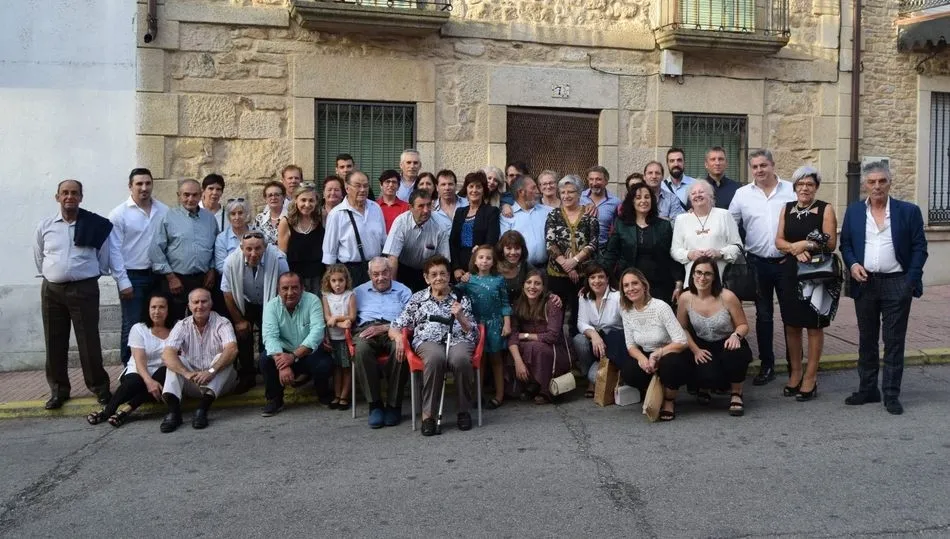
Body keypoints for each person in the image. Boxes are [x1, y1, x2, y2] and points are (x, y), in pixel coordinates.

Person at [840, 161, 928, 415]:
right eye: (872, 182)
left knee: (893, 341)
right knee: (866, 339)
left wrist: (910, 280)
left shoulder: (908, 211)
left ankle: (891, 393)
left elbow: (920, 248)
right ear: (865, 185)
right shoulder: (855, 211)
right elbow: (846, 243)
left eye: (882, 181)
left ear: (890, 183)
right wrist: (853, 264)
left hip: (897, 283)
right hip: (865, 283)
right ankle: (868, 390)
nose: (877, 186)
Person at [35, 179, 115, 409]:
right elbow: (39, 256)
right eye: (65, 193)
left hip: (84, 288)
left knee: (89, 340)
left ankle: (100, 388)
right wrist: (54, 274)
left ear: (81, 197)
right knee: (54, 340)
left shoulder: (93, 224)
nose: (69, 197)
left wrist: (86, 276)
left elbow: (103, 256)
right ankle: (59, 390)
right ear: (57, 197)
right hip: (52, 290)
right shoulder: (45, 226)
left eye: (74, 193)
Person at [728, 148, 796, 385]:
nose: (759, 170)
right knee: (764, 316)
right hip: (757, 263)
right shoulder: (742, 194)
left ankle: (793, 364)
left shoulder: (790, 190)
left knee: (791, 315)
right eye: (755, 167)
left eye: (763, 165)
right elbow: (729, 224)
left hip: (788, 262)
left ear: (772, 165)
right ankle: (767, 365)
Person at [392, 255, 479, 436]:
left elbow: (473, 331)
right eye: (433, 274)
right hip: (427, 341)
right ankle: (428, 415)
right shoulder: (418, 299)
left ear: (448, 276)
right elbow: (396, 325)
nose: (438, 278)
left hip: (457, 339)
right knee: (435, 358)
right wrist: (399, 338)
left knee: (461, 359)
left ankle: (463, 411)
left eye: (442, 274)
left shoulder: (461, 297)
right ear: (426, 278)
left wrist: (461, 317)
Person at [775, 165, 841, 402]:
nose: (805, 188)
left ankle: (811, 377)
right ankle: (795, 374)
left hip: (817, 273)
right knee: (792, 325)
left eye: (809, 185)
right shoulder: (787, 208)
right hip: (792, 272)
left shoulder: (825, 209)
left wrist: (806, 244)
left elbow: (830, 243)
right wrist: (794, 250)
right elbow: (778, 240)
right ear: (795, 187)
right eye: (801, 184)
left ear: (816, 188)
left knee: (814, 325)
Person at [676, 258, 753, 416]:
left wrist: (736, 336)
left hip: (727, 343)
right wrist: (696, 350)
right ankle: (705, 386)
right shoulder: (685, 298)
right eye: (698, 272)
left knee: (736, 354)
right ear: (692, 275)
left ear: (714, 277)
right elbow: (682, 328)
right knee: (708, 375)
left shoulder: (728, 297)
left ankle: (736, 393)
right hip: (702, 345)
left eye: (707, 274)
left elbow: (743, 325)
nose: (702, 278)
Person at [108, 167, 169, 366]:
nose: (144, 188)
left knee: (158, 322)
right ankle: (129, 368)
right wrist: (122, 281)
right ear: (130, 187)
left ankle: (156, 365)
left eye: (148, 183)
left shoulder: (164, 210)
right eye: (139, 184)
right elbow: (114, 250)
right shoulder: (118, 214)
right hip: (133, 276)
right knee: (132, 323)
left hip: (159, 275)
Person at [86, 293, 176, 427]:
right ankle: (109, 410)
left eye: (162, 307)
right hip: (139, 370)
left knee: (166, 371)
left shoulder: (176, 329)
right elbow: (139, 361)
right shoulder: (139, 328)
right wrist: (149, 381)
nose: (157, 311)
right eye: (153, 307)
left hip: (161, 374)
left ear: (169, 309)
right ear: (148, 309)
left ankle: (127, 409)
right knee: (136, 382)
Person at [159, 288, 238, 432]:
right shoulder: (181, 325)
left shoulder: (222, 322)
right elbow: (167, 353)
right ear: (189, 306)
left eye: (204, 301)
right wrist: (186, 373)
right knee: (175, 360)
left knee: (223, 357)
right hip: (193, 381)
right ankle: (173, 413)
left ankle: (202, 409)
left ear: (211, 303)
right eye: (195, 302)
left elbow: (232, 349)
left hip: (220, 384)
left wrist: (211, 371)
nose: (200, 306)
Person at [617, 268, 690, 421]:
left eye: (635, 283)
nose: (631, 288)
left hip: (670, 352)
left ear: (644, 285)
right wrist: (642, 360)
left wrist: (659, 353)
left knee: (670, 365)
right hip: (647, 353)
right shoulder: (626, 311)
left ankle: (669, 401)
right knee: (628, 370)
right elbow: (630, 345)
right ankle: (653, 390)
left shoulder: (660, 307)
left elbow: (681, 341)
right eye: (626, 285)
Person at [221, 232, 289, 392]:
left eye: (258, 248)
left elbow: (286, 288)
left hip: (271, 300)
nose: (253, 253)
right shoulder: (230, 262)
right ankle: (248, 376)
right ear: (241, 248)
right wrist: (238, 321)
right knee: (243, 335)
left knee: (270, 336)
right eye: (249, 249)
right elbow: (227, 292)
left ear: (265, 247)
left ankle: (269, 374)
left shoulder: (278, 259)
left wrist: (278, 316)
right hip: (245, 302)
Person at [260, 272, 334, 416]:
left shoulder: (312, 301)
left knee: (325, 363)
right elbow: (270, 337)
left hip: (306, 352)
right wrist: (283, 363)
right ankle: (274, 400)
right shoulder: (271, 306)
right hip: (283, 353)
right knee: (264, 359)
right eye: (285, 288)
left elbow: (317, 332)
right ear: (278, 290)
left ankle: (323, 393)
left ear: (302, 288)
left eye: (294, 288)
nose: (290, 293)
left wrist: (293, 356)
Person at [351, 257, 413, 428]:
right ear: (369, 275)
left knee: (400, 349)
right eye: (375, 274)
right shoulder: (358, 292)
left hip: (394, 329)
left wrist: (387, 328)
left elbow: (412, 319)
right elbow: (349, 318)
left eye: (384, 272)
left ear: (390, 272)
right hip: (366, 329)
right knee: (361, 350)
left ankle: (394, 405)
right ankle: (375, 405)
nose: (380, 278)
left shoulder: (404, 291)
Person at [149, 178, 218, 319]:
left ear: (201, 195)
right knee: (176, 322)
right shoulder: (167, 217)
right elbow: (155, 249)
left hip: (203, 280)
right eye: (186, 195)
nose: (190, 199)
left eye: (195, 195)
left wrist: (212, 270)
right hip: (177, 280)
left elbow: (216, 247)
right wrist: (170, 277)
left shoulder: (210, 219)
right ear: (178, 195)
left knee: (202, 321)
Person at [601, 183, 681, 304]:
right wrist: (600, 276)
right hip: (630, 285)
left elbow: (671, 256)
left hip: (659, 285)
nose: (643, 201)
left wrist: (678, 282)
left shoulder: (664, 226)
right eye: (638, 197)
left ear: (652, 200)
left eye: (647, 197)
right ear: (632, 201)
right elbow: (611, 254)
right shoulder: (621, 224)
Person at [458, 245, 512, 410]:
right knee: (479, 360)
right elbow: (455, 292)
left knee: (496, 360)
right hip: (476, 325)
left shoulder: (499, 280)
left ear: (493, 261)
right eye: (481, 257)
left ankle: (499, 395)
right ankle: (477, 394)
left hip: (495, 324)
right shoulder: (469, 280)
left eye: (488, 258)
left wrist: (507, 323)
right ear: (475, 260)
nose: (484, 261)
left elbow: (505, 303)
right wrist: (461, 278)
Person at [545, 174, 599, 336]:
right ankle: (558, 352)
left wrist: (575, 261)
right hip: (557, 274)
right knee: (556, 317)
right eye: (563, 192)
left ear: (579, 193)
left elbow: (594, 242)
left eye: (571, 192)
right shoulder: (554, 215)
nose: (566, 196)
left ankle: (577, 354)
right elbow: (550, 243)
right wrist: (567, 266)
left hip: (583, 275)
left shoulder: (590, 214)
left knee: (579, 316)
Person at [508, 269, 570, 405]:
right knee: (518, 347)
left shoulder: (552, 303)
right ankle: (532, 384)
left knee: (536, 347)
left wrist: (525, 335)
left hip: (553, 351)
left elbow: (552, 336)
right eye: (529, 282)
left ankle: (545, 390)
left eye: (537, 283)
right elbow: (513, 336)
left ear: (543, 287)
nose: (532, 287)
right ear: (523, 284)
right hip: (532, 348)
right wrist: (518, 361)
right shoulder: (518, 304)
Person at [323, 171, 387, 286]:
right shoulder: (336, 214)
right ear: (347, 188)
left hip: (375, 270)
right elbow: (329, 252)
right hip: (349, 271)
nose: (363, 190)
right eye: (358, 186)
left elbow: (383, 240)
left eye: (366, 186)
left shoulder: (375, 208)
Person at [671, 180, 743, 278]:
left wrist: (719, 253)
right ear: (690, 199)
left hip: (721, 279)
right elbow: (675, 250)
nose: (697, 195)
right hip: (693, 280)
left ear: (710, 195)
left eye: (701, 192)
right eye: (693, 193)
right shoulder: (681, 219)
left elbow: (738, 246)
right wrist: (689, 254)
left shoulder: (724, 215)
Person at [383, 189, 450, 292]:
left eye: (428, 205)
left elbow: (443, 260)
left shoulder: (440, 225)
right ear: (410, 208)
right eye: (421, 206)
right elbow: (392, 257)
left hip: (428, 271)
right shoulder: (400, 222)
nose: (426, 210)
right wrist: (393, 289)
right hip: (403, 269)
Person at [573, 263, 623, 395]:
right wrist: (594, 335)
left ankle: (594, 378)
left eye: (601, 277)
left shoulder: (618, 297)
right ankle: (589, 376)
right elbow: (581, 323)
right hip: (594, 342)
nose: (596, 281)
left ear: (607, 278)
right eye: (592, 277)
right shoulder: (584, 296)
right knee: (579, 340)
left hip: (613, 342)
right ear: (588, 280)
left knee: (595, 377)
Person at [450, 171, 501, 282]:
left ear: (484, 190)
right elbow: (453, 242)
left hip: (481, 265)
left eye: (478, 187)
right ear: (466, 189)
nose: (474, 190)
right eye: (471, 186)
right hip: (459, 266)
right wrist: (456, 268)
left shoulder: (491, 212)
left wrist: (474, 269)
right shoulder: (459, 212)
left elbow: (491, 242)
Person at [322, 265, 356, 410]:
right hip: (332, 338)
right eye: (334, 281)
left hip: (345, 339)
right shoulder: (326, 296)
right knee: (337, 368)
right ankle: (336, 395)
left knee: (346, 367)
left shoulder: (350, 295)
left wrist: (336, 319)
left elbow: (352, 316)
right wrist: (339, 322)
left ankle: (344, 396)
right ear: (328, 282)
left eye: (341, 280)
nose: (337, 284)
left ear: (346, 280)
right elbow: (327, 317)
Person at [279, 184, 324, 293]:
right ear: (296, 200)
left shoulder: (322, 219)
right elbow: (281, 255)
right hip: (295, 281)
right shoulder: (286, 222)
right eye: (303, 200)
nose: (307, 204)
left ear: (316, 202)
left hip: (318, 279)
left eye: (311, 200)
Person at [500, 174, 552, 269]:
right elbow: (505, 244)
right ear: (521, 192)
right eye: (533, 188)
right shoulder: (507, 216)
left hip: (546, 269)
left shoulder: (548, 212)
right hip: (519, 270)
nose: (538, 191)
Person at [580, 165, 620, 249]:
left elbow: (618, 229)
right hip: (580, 250)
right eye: (591, 179)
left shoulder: (615, 202)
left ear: (606, 181)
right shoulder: (579, 198)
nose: (594, 183)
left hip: (603, 250)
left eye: (598, 179)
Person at [213, 198, 255, 273]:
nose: (237, 217)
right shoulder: (222, 238)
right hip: (231, 281)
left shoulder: (256, 233)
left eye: (240, 213)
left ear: (246, 214)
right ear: (229, 217)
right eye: (233, 214)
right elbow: (220, 266)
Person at [659, 147, 696, 222]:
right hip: (668, 232)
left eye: (679, 160)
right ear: (667, 164)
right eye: (672, 161)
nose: (676, 164)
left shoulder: (695, 184)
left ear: (684, 162)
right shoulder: (660, 187)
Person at [497, 230, 532, 304]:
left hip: (521, 311)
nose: (513, 252)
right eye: (509, 248)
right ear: (502, 249)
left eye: (517, 248)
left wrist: (552, 296)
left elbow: (541, 286)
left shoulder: (526, 267)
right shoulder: (492, 266)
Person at [253, 181, 286, 245]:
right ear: (265, 198)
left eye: (277, 195)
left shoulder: (292, 217)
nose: (273, 198)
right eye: (270, 195)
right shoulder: (259, 219)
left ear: (284, 197)